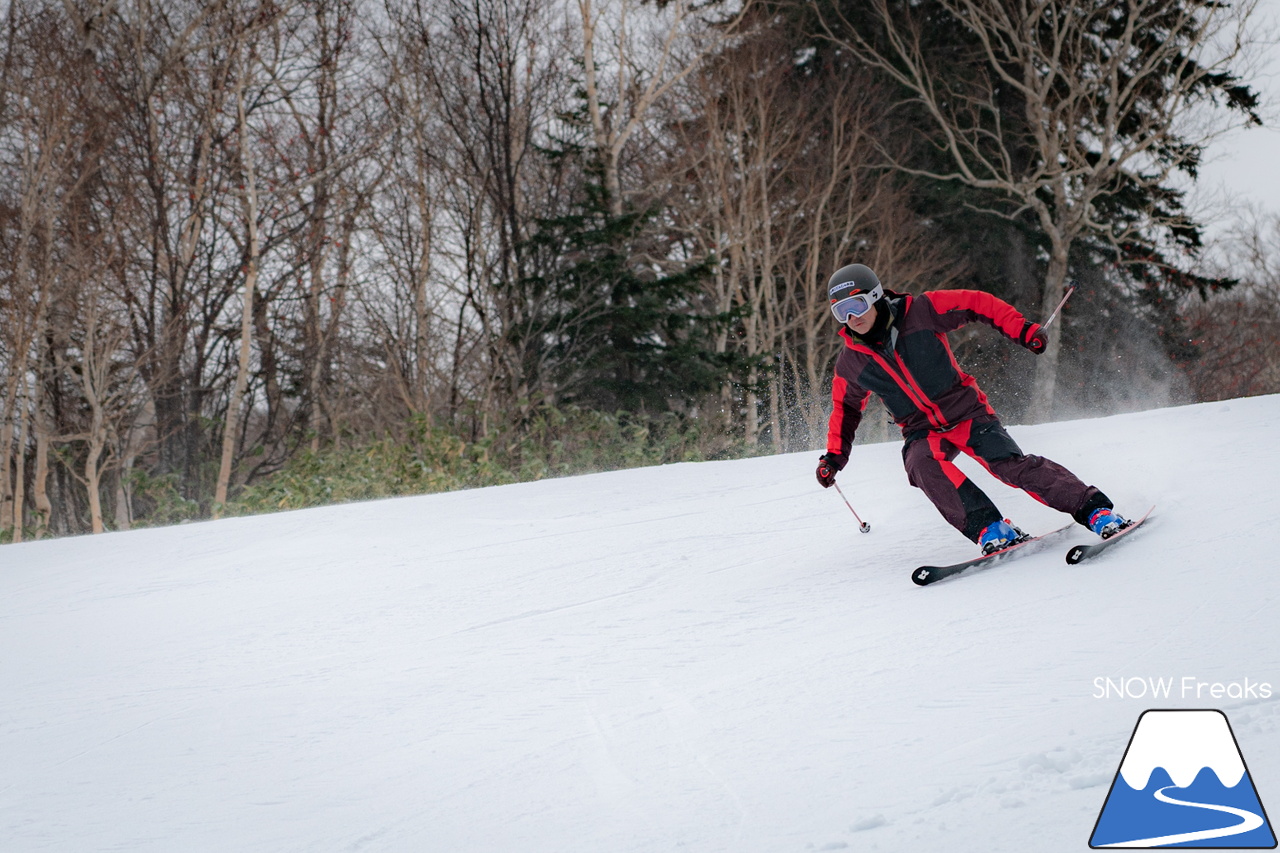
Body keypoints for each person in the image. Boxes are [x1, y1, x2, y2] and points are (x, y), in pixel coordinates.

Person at [814, 263, 1128, 554]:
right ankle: (990, 528)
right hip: (920, 429)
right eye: (841, 312)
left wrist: (1021, 329)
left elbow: (977, 303)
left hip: (966, 412)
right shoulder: (851, 363)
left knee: (1009, 465)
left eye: (856, 306)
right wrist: (833, 458)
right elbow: (846, 410)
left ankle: (1093, 509)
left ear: (875, 296)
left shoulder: (921, 311)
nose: (852, 317)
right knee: (921, 465)